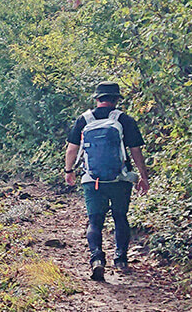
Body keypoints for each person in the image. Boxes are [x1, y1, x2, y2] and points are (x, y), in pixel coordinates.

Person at [64, 82, 151, 281]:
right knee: (120, 217)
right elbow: (136, 151)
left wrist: (69, 171)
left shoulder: (84, 119)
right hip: (120, 179)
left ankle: (96, 259)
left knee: (95, 220)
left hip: (92, 179)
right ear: (116, 99)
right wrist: (143, 177)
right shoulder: (124, 119)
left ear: (97, 98)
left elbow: (71, 149)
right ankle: (120, 260)